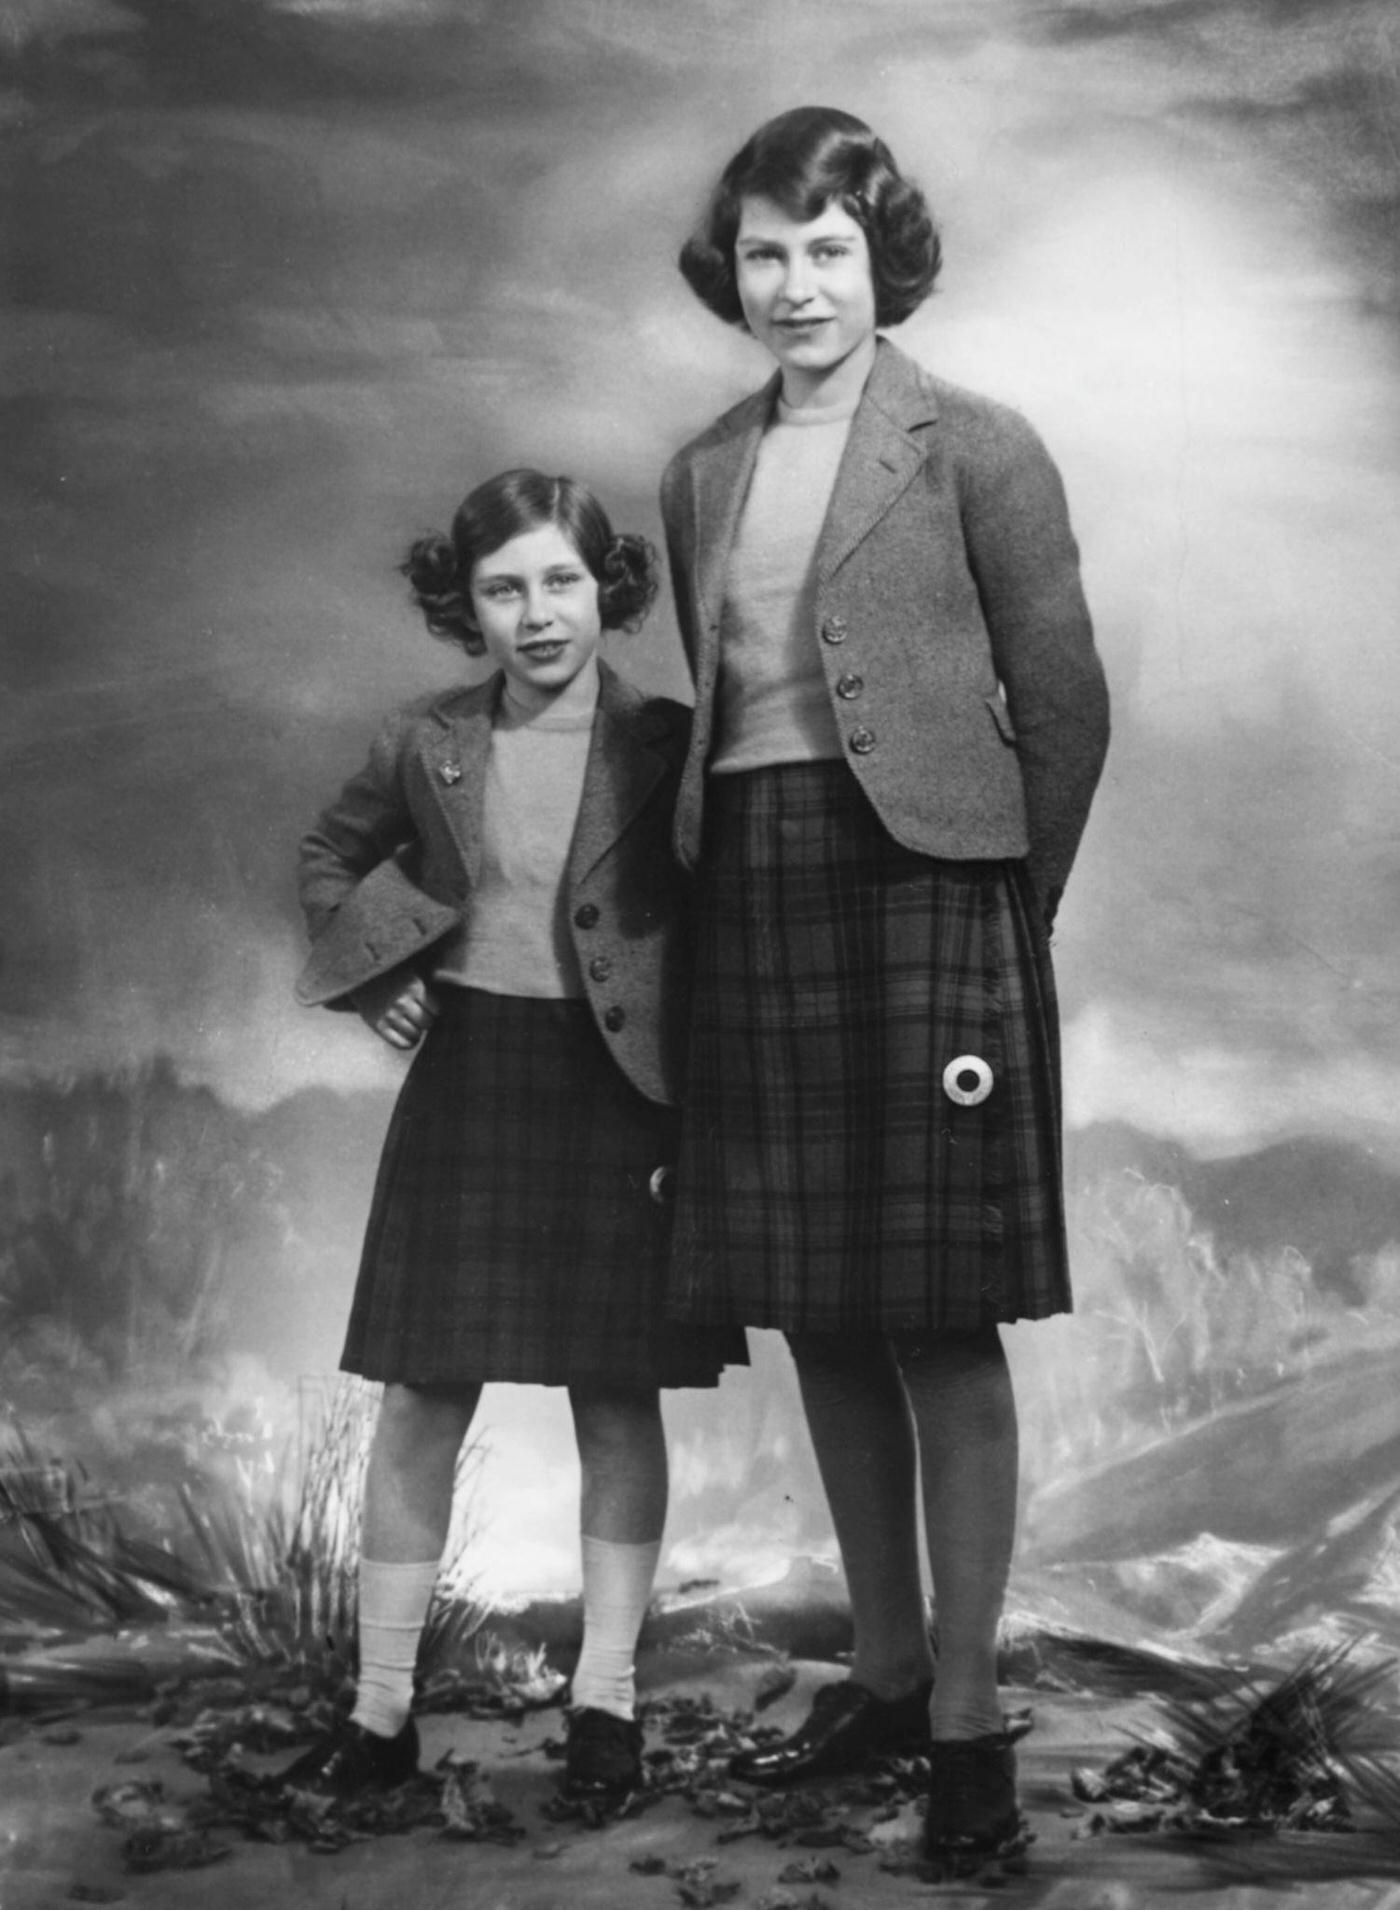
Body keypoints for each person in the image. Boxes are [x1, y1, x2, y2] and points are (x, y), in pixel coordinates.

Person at [661, 107, 1109, 1864]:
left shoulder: (978, 445)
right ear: (733, 269)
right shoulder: (703, 468)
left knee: (937, 1309)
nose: (795, 285)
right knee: (819, 1303)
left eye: (827, 250)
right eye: (766, 252)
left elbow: (1063, 706)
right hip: (754, 891)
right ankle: (885, 1663)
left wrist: (1007, 911)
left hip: (932, 890)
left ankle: (970, 1725)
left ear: (881, 258)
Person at [286, 468, 743, 1807]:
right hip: (472, 1071)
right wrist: (378, 972)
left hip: (620, 1089)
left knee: (616, 1389)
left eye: (561, 580)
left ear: (608, 586)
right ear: (463, 603)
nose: (538, 613)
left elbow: (721, 906)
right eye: (504, 588)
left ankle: (604, 1702)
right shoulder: (427, 738)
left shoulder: (667, 741)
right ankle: (379, 1715)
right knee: (425, 1390)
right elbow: (330, 854)